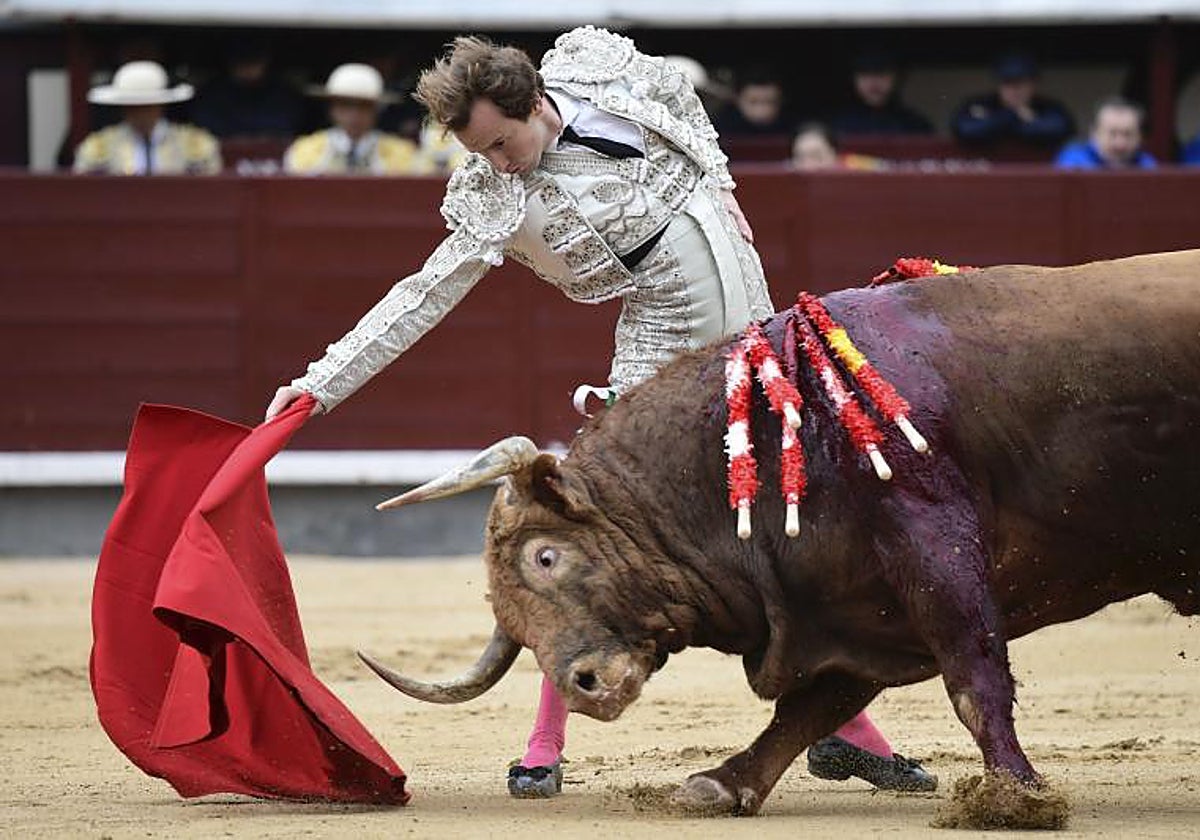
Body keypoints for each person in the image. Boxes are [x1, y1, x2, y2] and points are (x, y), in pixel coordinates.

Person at [263, 26, 935, 800]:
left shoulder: (595, 67)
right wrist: (319, 384)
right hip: (663, 350)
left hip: (755, 326)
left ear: (534, 103)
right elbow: (419, 296)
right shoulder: (494, 196)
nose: (497, 163)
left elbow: (680, 100)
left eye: (501, 143)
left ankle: (845, 733)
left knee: (795, 524)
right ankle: (545, 743)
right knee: (593, 538)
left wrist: (719, 184)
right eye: (480, 152)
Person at [73, 61, 221, 175]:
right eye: (132, 107)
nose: (139, 114)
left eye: (146, 106)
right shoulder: (99, 147)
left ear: (160, 106)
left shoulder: (195, 144)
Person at [284, 63, 420, 175]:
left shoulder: (402, 153)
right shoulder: (305, 150)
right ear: (332, 108)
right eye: (345, 105)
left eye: (364, 106)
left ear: (376, 110)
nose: (354, 114)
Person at [951, 52, 1075, 151]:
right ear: (999, 85)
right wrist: (1015, 116)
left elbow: (1059, 128)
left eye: (1021, 83)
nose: (1015, 90)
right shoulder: (982, 104)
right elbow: (965, 130)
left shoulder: (1048, 107)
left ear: (1033, 84)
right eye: (1008, 83)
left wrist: (996, 122)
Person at [189, 37, 305, 139]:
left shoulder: (283, 95)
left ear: (265, 61)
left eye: (254, 60)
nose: (248, 67)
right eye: (241, 60)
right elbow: (205, 130)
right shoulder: (211, 95)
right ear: (230, 62)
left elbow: (287, 126)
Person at [829, 48, 933, 137]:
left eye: (881, 74)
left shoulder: (914, 125)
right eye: (865, 74)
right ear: (854, 79)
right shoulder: (837, 125)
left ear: (896, 77)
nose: (873, 82)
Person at [1054, 97, 1157, 169]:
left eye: (1128, 134)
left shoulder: (1147, 165)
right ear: (1094, 133)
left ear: (1140, 136)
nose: (1120, 143)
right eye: (1112, 134)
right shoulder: (1073, 162)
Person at [713, 66, 792, 136]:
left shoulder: (793, 128)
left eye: (769, 102)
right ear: (737, 99)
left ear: (781, 100)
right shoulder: (717, 129)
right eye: (753, 102)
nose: (761, 110)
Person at [791, 122, 887, 171]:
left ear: (834, 153)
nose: (808, 167)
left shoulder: (854, 165)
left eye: (817, 156)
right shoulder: (788, 169)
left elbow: (889, 168)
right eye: (801, 157)